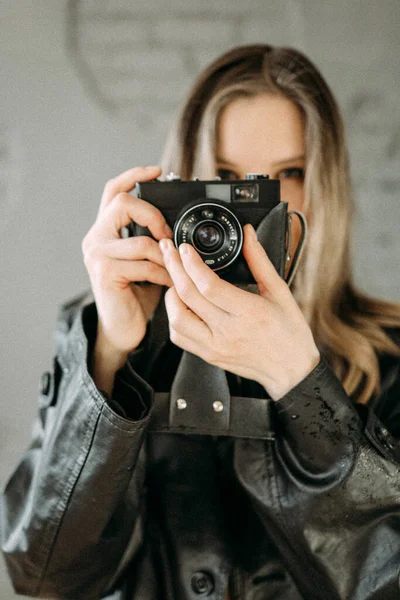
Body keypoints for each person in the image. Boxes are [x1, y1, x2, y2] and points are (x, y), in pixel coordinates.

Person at [1, 44, 400, 600]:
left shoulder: (389, 357)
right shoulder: (108, 337)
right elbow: (42, 575)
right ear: (183, 187)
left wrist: (300, 382)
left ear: (327, 184)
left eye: (288, 173)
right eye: (229, 180)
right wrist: (112, 352)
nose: (257, 208)